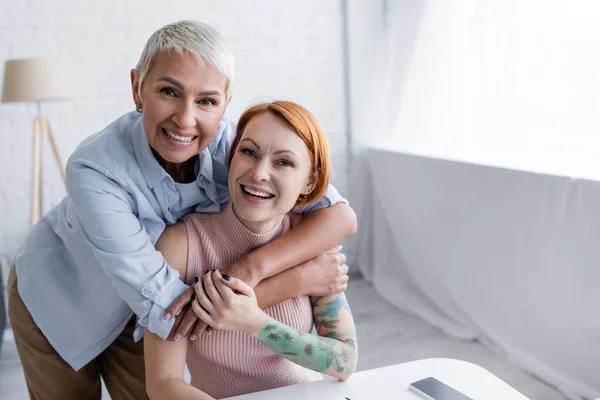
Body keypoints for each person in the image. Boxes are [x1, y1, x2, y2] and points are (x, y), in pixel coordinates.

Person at [7, 20, 356, 400]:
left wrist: (251, 269)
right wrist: (296, 280)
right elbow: (168, 305)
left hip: (149, 308)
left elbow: (339, 215)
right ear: (137, 87)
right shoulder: (94, 170)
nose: (186, 119)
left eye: (207, 100)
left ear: (224, 104)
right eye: (169, 91)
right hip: (66, 296)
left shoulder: (239, 147)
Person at [145, 101, 358, 400]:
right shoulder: (180, 246)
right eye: (249, 152)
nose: (259, 173)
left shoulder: (309, 242)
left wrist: (254, 323)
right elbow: (163, 383)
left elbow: (345, 360)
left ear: (309, 182)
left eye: (284, 162)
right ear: (231, 159)